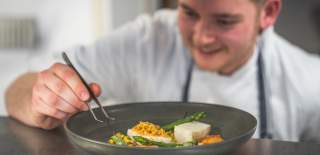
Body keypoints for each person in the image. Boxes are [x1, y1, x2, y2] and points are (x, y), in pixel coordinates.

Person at [5, 0, 320, 143]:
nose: (201, 36)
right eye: (189, 13)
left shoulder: (308, 78)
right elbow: (18, 87)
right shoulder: (145, 40)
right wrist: (40, 98)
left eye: (224, 21)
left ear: (267, 13)